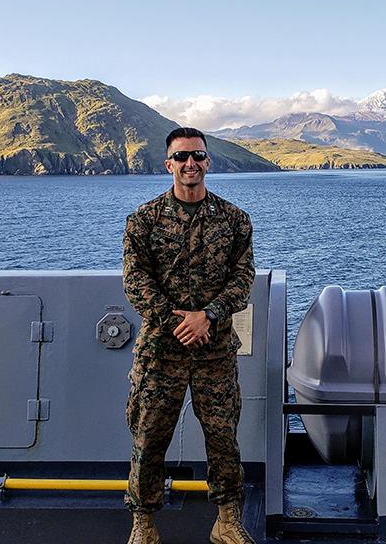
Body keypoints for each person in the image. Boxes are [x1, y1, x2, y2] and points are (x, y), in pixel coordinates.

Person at [122, 127, 256, 544]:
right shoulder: (144, 220)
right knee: (149, 436)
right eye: (181, 157)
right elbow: (135, 279)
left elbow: (242, 277)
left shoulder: (234, 220)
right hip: (161, 350)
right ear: (169, 164)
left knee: (222, 438)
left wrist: (208, 316)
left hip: (214, 350)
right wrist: (176, 321)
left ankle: (227, 521)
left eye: (197, 156)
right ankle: (143, 522)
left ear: (207, 162)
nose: (190, 164)